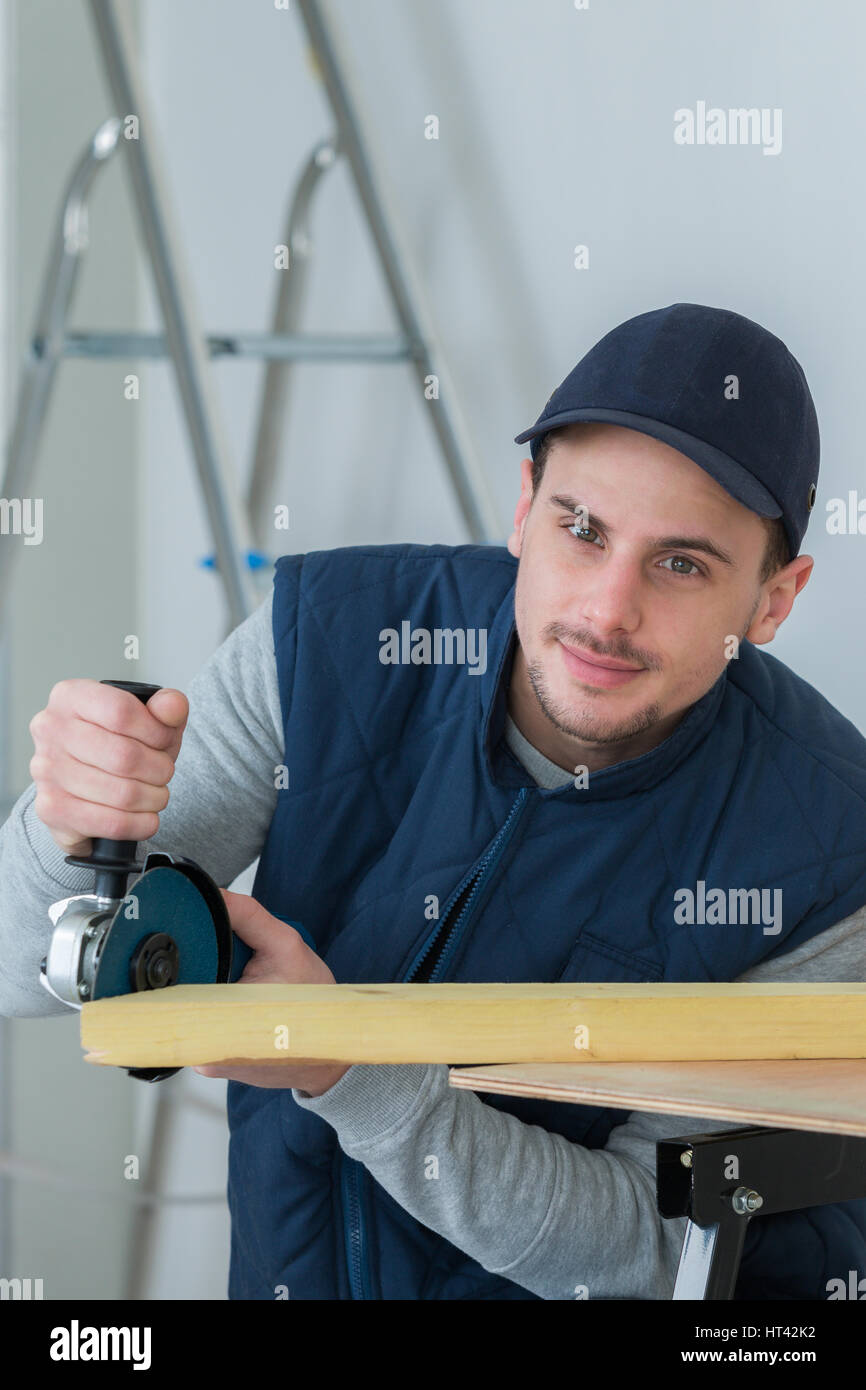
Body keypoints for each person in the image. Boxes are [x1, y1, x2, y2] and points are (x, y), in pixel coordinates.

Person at [3, 301, 866, 1301]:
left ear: (772, 598)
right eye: (579, 529)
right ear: (522, 505)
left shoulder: (825, 849)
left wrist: (345, 1067)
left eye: (679, 563)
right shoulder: (318, 646)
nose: (603, 610)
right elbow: (20, 968)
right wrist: (65, 823)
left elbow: (649, 1248)